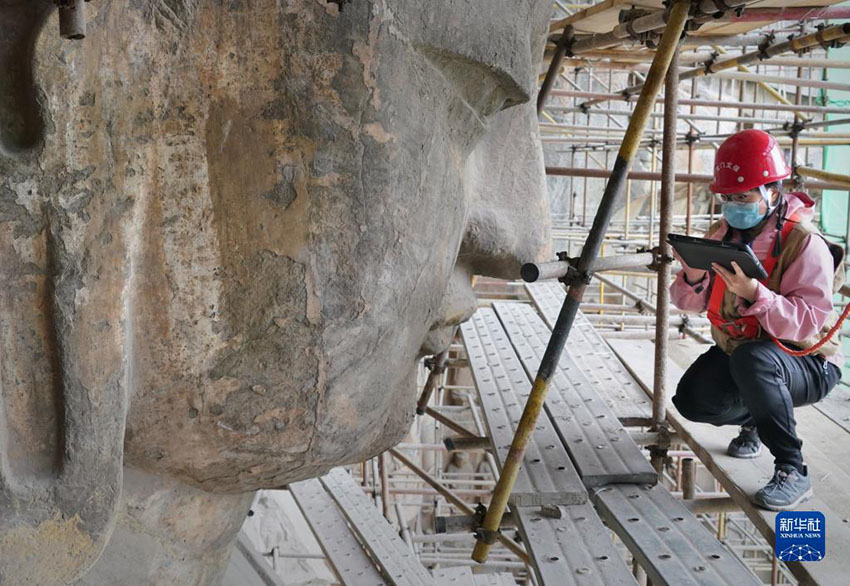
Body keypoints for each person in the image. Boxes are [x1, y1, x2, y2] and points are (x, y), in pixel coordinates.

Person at [670, 129, 844, 511]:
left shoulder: (803, 243)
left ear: (773, 191)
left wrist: (755, 294)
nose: (734, 204)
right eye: (727, 197)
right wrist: (694, 275)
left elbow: (808, 324)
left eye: (743, 195)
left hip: (806, 362)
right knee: (692, 401)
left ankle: (792, 471)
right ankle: (756, 419)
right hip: (746, 352)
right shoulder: (722, 234)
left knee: (754, 360)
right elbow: (689, 304)